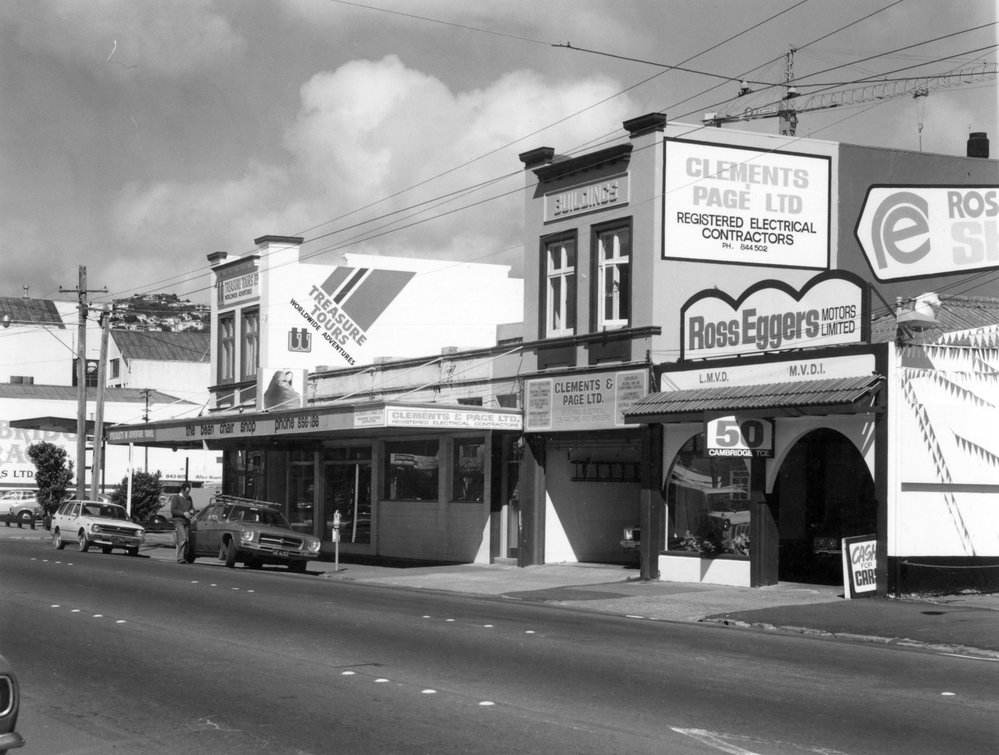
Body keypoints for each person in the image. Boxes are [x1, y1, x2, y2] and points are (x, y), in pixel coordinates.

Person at [169, 482, 195, 563]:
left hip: (187, 522)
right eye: (186, 491)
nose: (187, 493)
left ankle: (184, 557)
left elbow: (192, 509)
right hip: (178, 521)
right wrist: (183, 513)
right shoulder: (176, 498)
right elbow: (173, 510)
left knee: (186, 540)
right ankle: (180, 558)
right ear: (182, 490)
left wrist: (192, 511)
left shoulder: (189, 498)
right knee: (183, 538)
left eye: (189, 491)